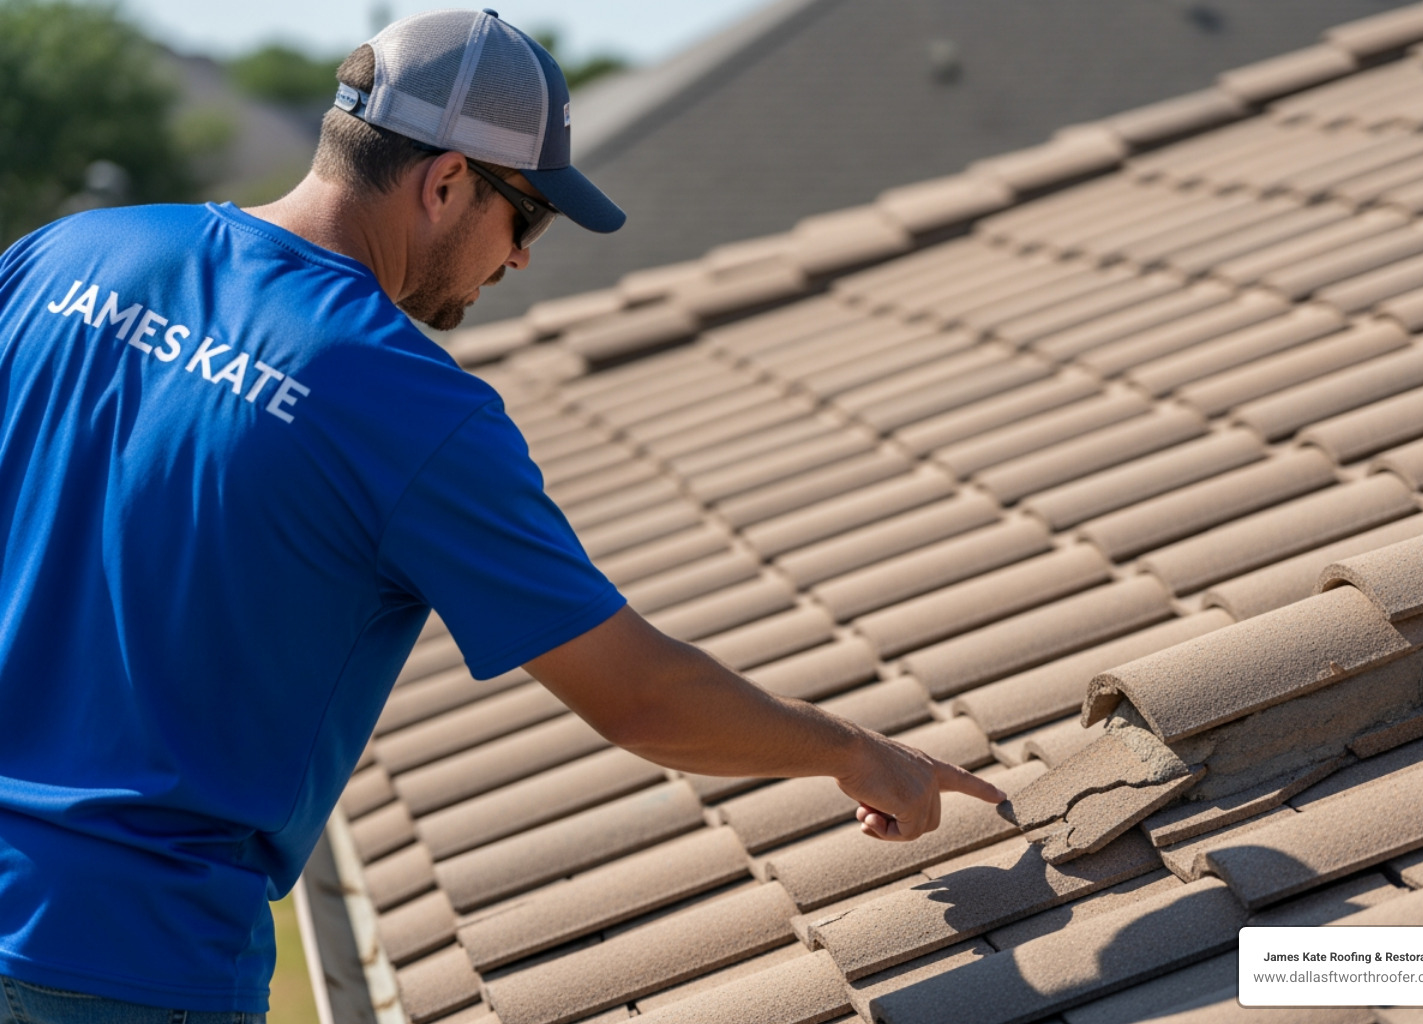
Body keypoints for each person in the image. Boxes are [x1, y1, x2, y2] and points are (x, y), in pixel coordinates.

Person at [0, 9, 1005, 1021]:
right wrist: (857, 752)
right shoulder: (403, 404)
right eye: (527, 216)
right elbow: (639, 695)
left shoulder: (65, 257)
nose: (521, 257)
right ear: (445, 182)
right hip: (120, 958)